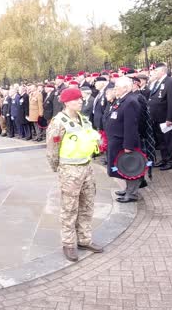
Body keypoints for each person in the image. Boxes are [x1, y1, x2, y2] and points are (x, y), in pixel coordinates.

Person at [46, 89, 103, 262]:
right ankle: (69, 244)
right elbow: (52, 149)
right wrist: (58, 167)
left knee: (87, 205)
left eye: (80, 99)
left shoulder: (83, 119)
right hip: (70, 170)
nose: (81, 101)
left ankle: (85, 240)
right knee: (69, 208)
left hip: (86, 167)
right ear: (67, 102)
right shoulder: (58, 122)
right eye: (77, 99)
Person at [105, 77, 143, 203]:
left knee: (130, 166)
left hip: (124, 141)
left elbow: (130, 125)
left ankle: (132, 193)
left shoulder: (130, 101)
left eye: (117, 87)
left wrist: (128, 145)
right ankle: (128, 189)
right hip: (117, 140)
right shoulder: (123, 99)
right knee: (124, 166)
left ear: (126, 88)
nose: (115, 90)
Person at [147, 63, 172, 171]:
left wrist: (170, 118)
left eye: (156, 71)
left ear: (162, 71)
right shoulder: (157, 82)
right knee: (161, 140)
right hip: (156, 117)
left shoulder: (170, 82)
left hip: (165, 117)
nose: (154, 73)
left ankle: (171, 161)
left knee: (169, 140)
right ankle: (164, 159)